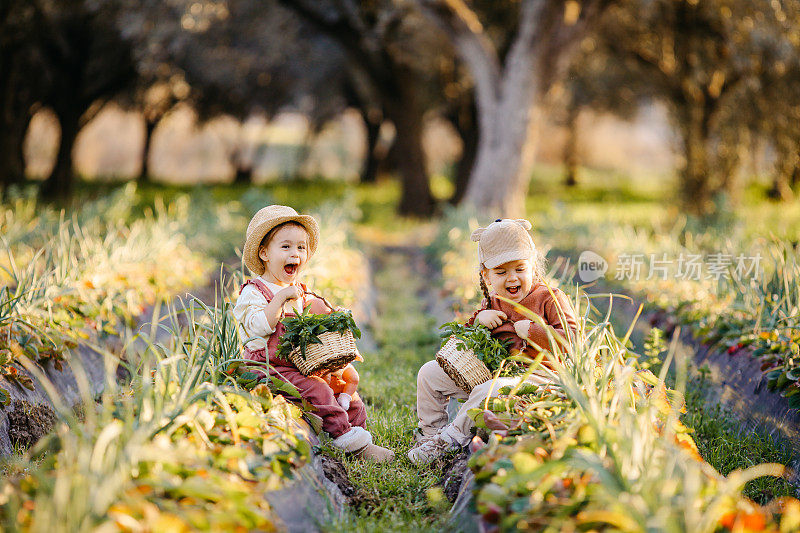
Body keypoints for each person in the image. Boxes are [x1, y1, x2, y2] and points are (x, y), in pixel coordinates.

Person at [408, 218, 579, 465]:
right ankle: (431, 436)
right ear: (486, 276)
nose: (512, 279)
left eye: (520, 269)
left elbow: (572, 339)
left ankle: (451, 440)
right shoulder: (493, 301)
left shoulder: (550, 298)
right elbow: (467, 339)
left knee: (485, 391)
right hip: (493, 375)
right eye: (501, 272)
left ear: (532, 266)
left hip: (537, 379)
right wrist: (479, 319)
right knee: (429, 373)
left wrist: (532, 330)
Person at [233, 205, 394, 463]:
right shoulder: (254, 292)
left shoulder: (298, 291)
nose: (295, 253)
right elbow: (257, 327)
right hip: (267, 367)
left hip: (298, 364)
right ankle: (346, 440)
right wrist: (280, 299)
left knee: (344, 384)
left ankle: (360, 434)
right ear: (264, 253)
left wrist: (333, 316)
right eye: (285, 247)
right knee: (318, 390)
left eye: (300, 247)